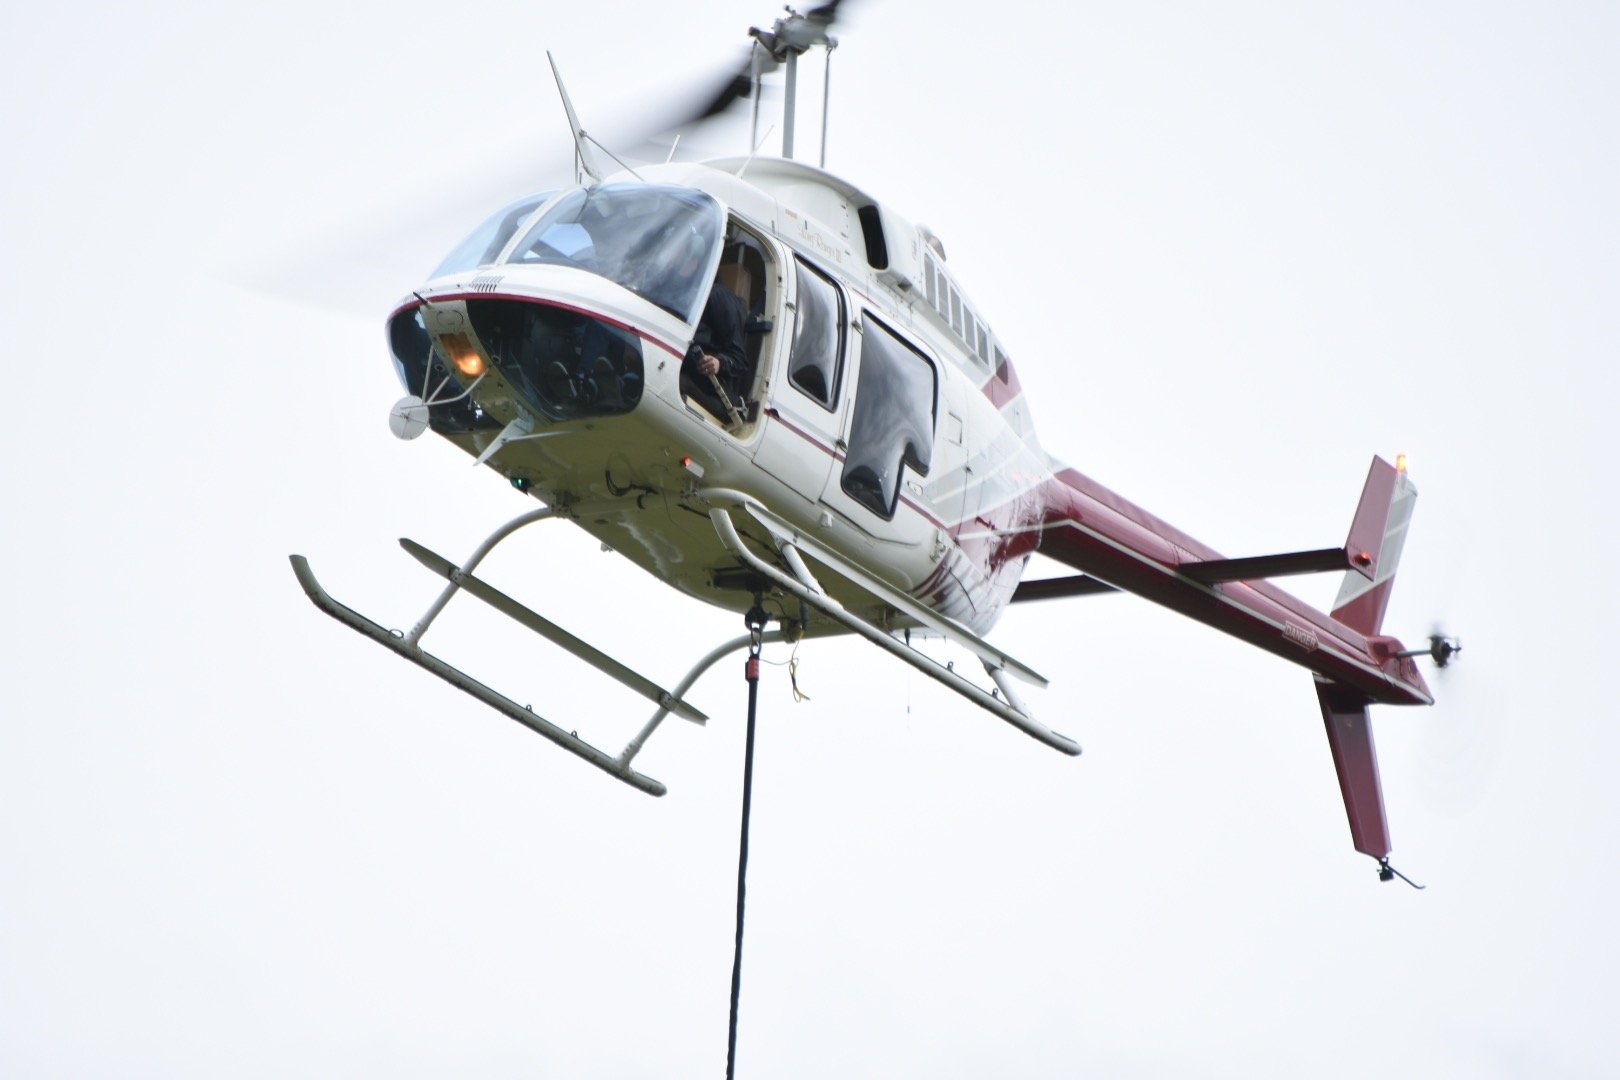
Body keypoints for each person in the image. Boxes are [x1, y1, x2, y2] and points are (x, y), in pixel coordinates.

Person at [683, 261, 751, 411]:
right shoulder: (677, 294)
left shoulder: (718, 296)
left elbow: (739, 360)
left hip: (714, 390)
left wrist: (719, 363)